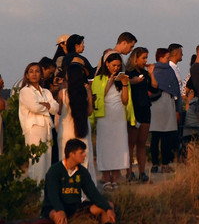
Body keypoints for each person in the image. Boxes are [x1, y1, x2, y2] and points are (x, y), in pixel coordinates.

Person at [41, 138, 116, 224]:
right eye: (81, 153)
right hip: (54, 207)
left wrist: (107, 208)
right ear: (72, 154)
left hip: (75, 206)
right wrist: (60, 209)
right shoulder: (55, 170)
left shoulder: (82, 171)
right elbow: (52, 195)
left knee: (108, 206)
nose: (84, 155)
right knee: (59, 217)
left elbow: (93, 193)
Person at [92, 52, 131, 189]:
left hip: (119, 116)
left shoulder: (123, 78)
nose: (115, 68)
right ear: (107, 64)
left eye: (118, 66)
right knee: (105, 146)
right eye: (113, 65)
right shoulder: (98, 79)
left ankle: (115, 177)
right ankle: (106, 177)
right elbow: (98, 97)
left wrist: (125, 84)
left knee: (118, 146)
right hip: (104, 116)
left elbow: (125, 101)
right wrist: (110, 82)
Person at [18, 61, 59, 183]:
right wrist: (48, 106)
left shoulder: (46, 92)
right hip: (34, 128)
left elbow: (56, 108)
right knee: (37, 161)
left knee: (47, 160)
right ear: (26, 75)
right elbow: (34, 107)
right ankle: (36, 192)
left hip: (46, 128)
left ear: (41, 74)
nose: (34, 74)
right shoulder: (26, 91)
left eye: (37, 71)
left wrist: (47, 105)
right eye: (31, 72)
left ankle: (44, 191)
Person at [125, 47, 158, 183]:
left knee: (142, 143)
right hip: (134, 109)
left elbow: (154, 87)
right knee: (130, 143)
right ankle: (129, 172)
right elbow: (124, 84)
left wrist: (151, 73)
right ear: (135, 58)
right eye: (143, 58)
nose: (145, 61)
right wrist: (133, 81)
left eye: (146, 58)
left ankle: (142, 172)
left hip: (145, 108)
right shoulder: (129, 73)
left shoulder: (144, 73)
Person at [55, 64, 94, 174]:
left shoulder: (63, 93)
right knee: (84, 157)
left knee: (65, 157)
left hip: (66, 130)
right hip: (82, 128)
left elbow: (58, 111)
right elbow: (90, 112)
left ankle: (66, 185)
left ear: (68, 76)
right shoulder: (86, 92)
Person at [150, 48, 179, 174]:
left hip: (161, 104)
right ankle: (162, 163)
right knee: (162, 136)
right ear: (160, 57)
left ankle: (158, 163)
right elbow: (175, 89)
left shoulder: (157, 70)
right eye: (167, 58)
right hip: (162, 103)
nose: (168, 60)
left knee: (158, 137)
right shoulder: (162, 70)